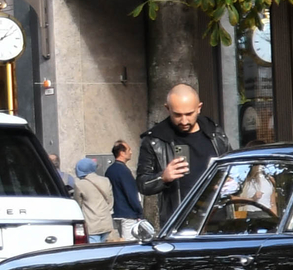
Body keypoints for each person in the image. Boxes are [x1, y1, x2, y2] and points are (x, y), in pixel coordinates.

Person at [136, 83, 232, 219]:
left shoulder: (215, 133)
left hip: (219, 218)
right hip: (180, 223)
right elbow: (142, 184)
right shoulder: (155, 139)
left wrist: (230, 181)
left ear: (199, 108)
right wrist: (163, 177)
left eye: (189, 114)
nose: (184, 120)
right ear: (167, 108)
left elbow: (234, 171)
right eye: (177, 115)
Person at [105, 141, 144, 241]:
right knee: (129, 245)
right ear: (122, 153)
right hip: (128, 214)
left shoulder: (109, 170)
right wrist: (139, 211)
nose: (131, 152)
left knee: (119, 243)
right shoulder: (124, 171)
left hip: (115, 213)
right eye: (129, 150)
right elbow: (131, 193)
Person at [71, 156, 114, 242]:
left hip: (92, 223)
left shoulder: (80, 184)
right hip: (106, 222)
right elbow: (110, 201)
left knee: (94, 250)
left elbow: (78, 204)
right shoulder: (105, 180)